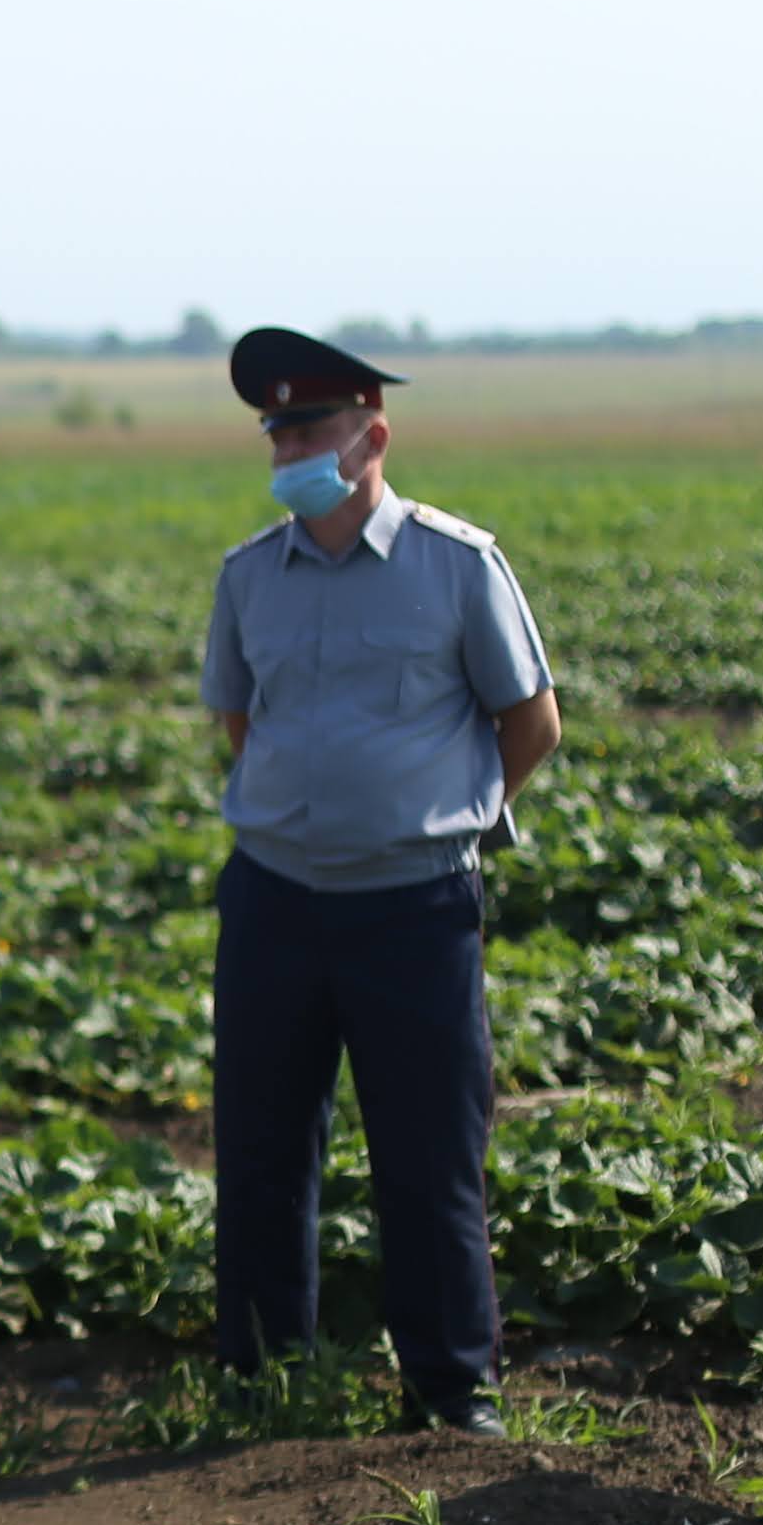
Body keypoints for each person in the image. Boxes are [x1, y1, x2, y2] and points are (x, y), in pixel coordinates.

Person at [198, 327, 561, 1436]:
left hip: (413, 905)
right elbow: (239, 721)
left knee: (428, 1154)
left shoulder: (457, 565)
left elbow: (530, 722)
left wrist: (440, 816)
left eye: (310, 430)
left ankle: (451, 1391)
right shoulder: (248, 577)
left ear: (372, 436)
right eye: (277, 434)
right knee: (261, 1150)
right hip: (273, 899)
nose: (289, 451)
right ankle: (263, 1382)